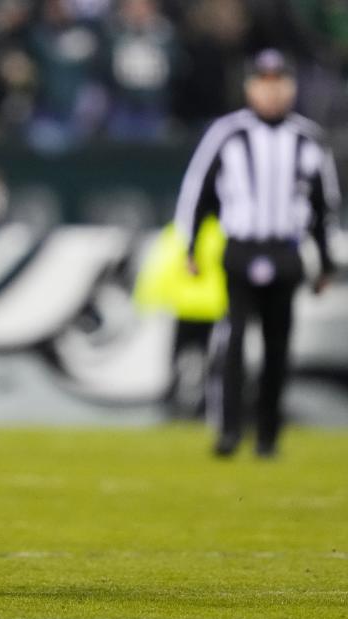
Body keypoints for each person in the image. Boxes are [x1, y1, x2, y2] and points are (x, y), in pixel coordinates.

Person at [173, 48, 340, 458]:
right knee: (232, 340)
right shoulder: (227, 134)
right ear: (250, 87)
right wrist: (190, 246)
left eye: (279, 83)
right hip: (242, 248)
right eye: (264, 83)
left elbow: (324, 206)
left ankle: (268, 435)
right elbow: (198, 193)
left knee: (278, 344)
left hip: (285, 250)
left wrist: (325, 262)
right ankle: (229, 430)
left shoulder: (307, 138)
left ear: (291, 87)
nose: (272, 92)